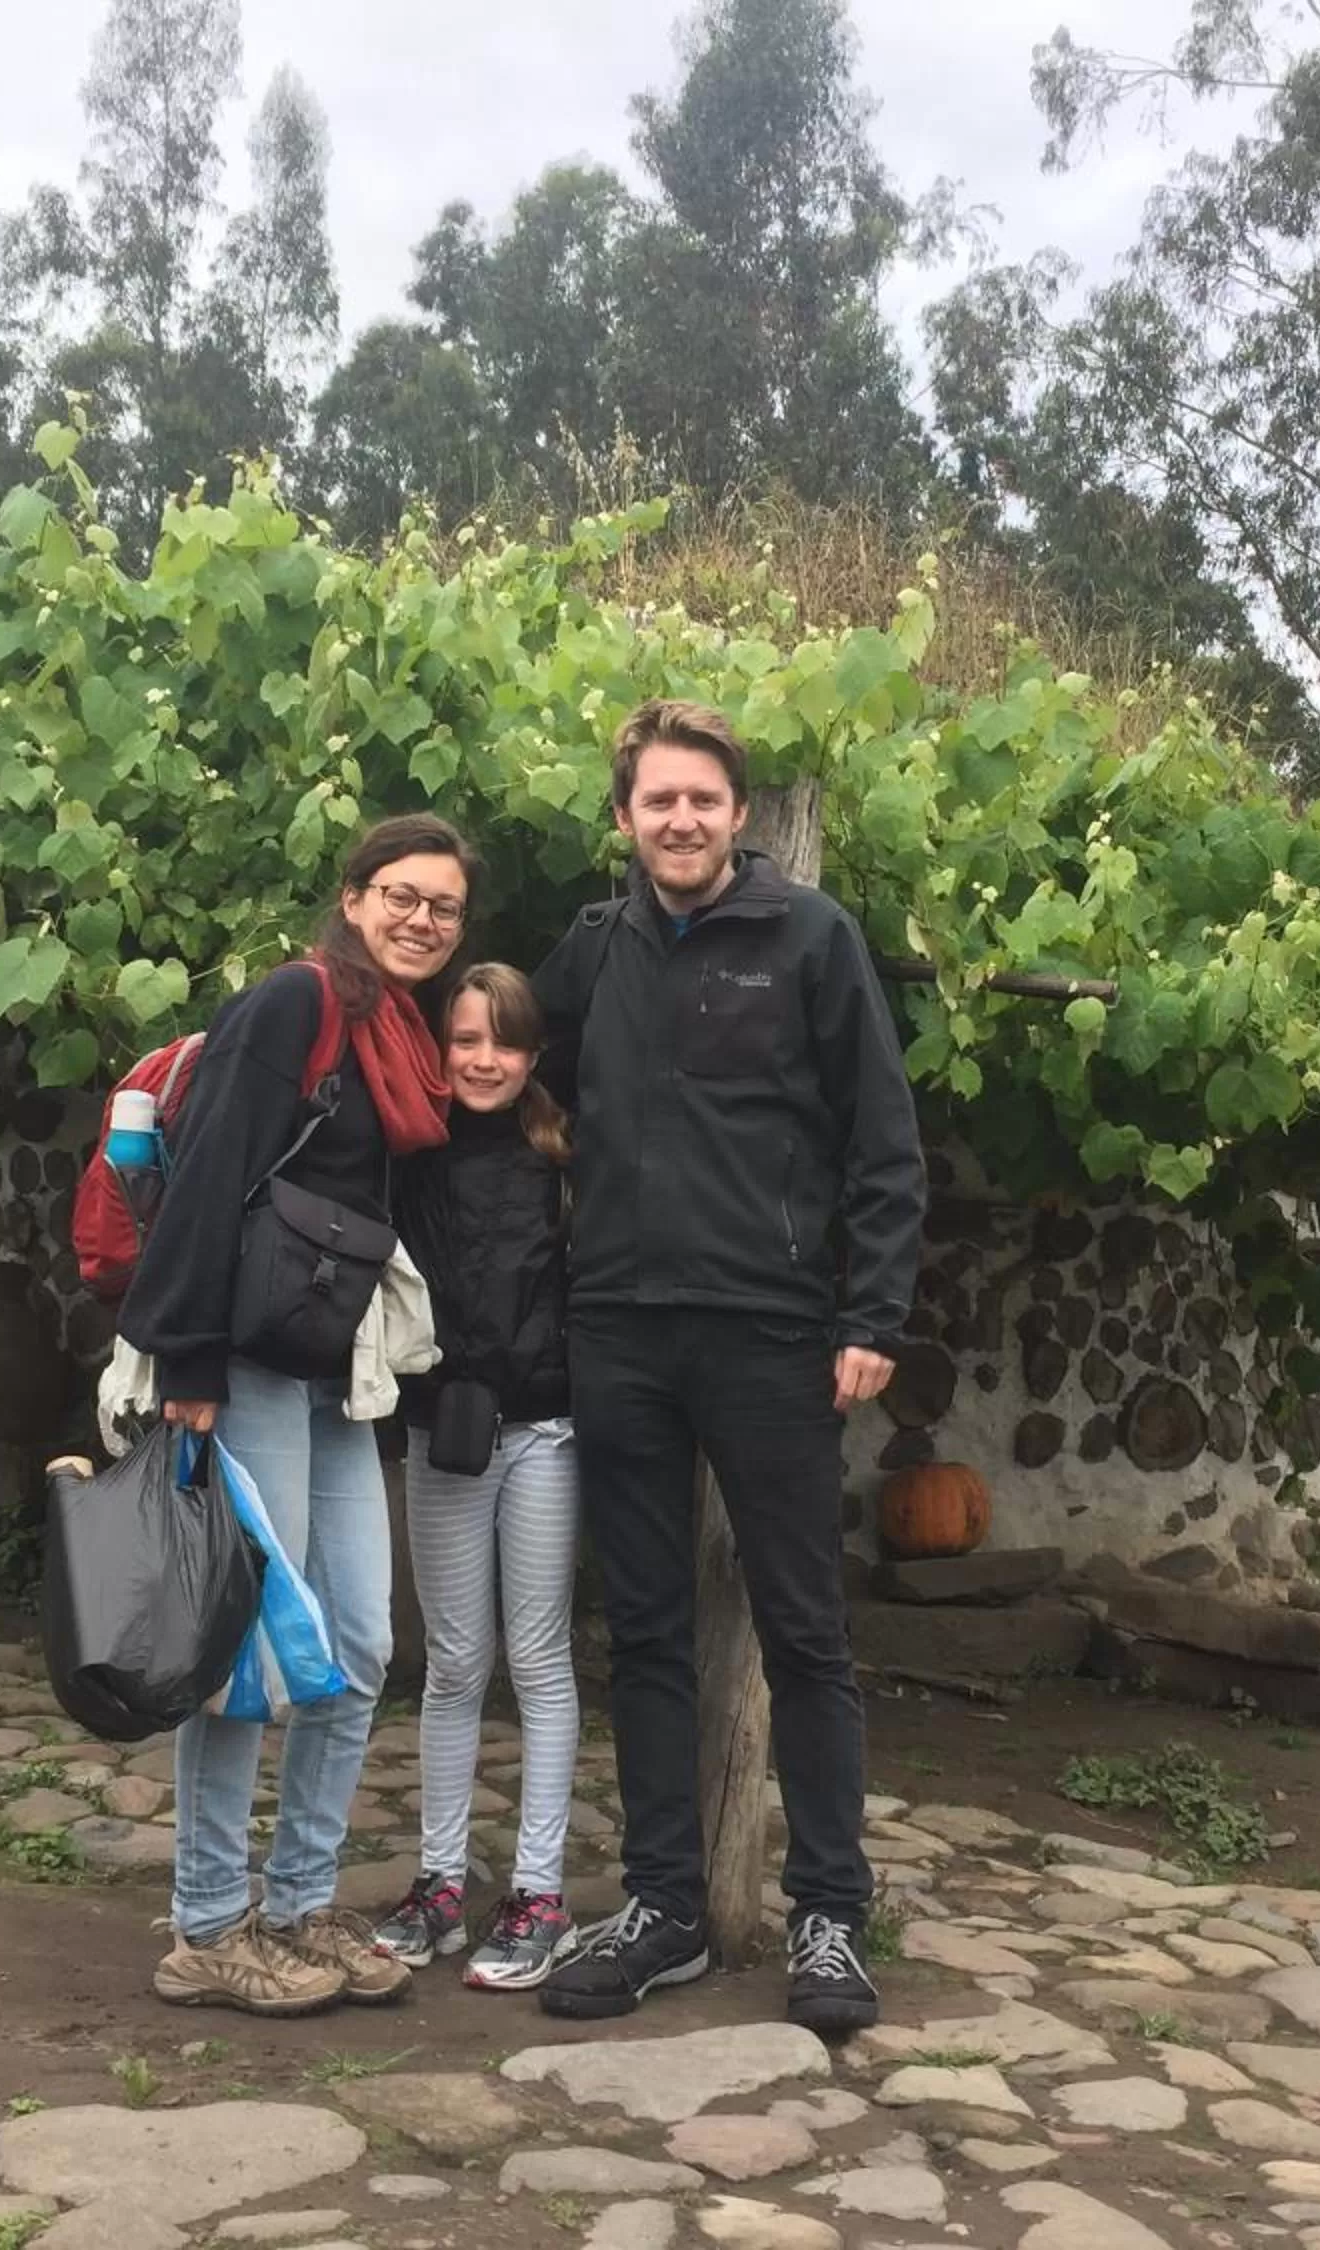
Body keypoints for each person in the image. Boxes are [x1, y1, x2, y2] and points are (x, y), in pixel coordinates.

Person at [530, 698, 926, 2034]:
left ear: (738, 814)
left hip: (770, 1332)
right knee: (644, 1630)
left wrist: (871, 1316)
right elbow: (517, 1069)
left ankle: (830, 1916)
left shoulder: (812, 938)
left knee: (804, 1633)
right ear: (625, 817)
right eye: (659, 799)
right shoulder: (594, 949)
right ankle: (666, 1910)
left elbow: (882, 1140)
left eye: (703, 798)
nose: (682, 818)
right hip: (619, 1328)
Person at [119, 812, 480, 2017]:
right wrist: (190, 1360)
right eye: (402, 896)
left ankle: (300, 1904)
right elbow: (214, 1167)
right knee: (245, 1652)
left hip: (338, 1371)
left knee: (360, 1643)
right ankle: (208, 1926)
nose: (422, 919)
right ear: (355, 895)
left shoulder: (403, 1036)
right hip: (246, 1365)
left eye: (444, 906)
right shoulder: (297, 1004)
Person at [369, 963, 586, 1991]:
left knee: (538, 1659)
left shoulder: (565, 1155)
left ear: (533, 1054)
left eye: (504, 1041)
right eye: (465, 1040)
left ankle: (540, 1894)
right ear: (439, 1048)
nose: (484, 1060)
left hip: (545, 1430)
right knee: (455, 1663)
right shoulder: (410, 1154)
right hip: (445, 1430)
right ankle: (440, 1884)